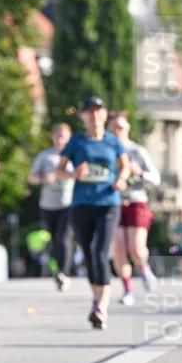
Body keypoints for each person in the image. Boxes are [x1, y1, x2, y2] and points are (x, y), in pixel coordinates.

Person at [57, 96, 130, 330]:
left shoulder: (113, 141)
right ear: (82, 116)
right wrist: (73, 174)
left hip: (108, 202)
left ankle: (102, 307)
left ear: (105, 114)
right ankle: (96, 298)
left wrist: (121, 179)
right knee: (89, 255)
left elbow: (125, 165)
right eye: (89, 111)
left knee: (100, 252)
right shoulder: (77, 142)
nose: (94, 115)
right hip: (81, 204)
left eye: (98, 111)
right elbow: (59, 171)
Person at [108, 112, 160, 306]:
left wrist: (140, 173)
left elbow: (156, 178)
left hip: (137, 201)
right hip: (114, 203)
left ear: (128, 128)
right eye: (113, 128)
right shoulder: (107, 151)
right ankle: (127, 289)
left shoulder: (137, 151)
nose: (117, 131)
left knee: (136, 249)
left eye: (120, 127)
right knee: (119, 248)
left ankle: (143, 267)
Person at [28, 124, 74, 291]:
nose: (60, 139)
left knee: (64, 237)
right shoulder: (45, 156)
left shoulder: (74, 156)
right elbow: (31, 177)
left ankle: (64, 273)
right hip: (48, 205)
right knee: (54, 239)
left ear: (69, 138)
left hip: (68, 204)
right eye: (58, 136)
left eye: (64, 136)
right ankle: (59, 270)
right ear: (53, 137)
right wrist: (43, 180)